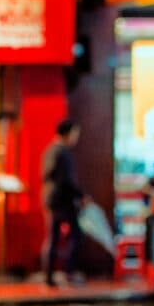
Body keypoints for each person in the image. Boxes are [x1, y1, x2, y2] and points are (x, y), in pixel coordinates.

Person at [41, 119, 86, 287]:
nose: (76, 137)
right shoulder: (63, 152)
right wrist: (81, 195)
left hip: (50, 198)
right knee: (76, 235)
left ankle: (50, 276)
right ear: (68, 133)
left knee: (52, 237)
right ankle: (68, 272)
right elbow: (66, 180)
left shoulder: (50, 150)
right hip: (62, 200)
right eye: (75, 133)